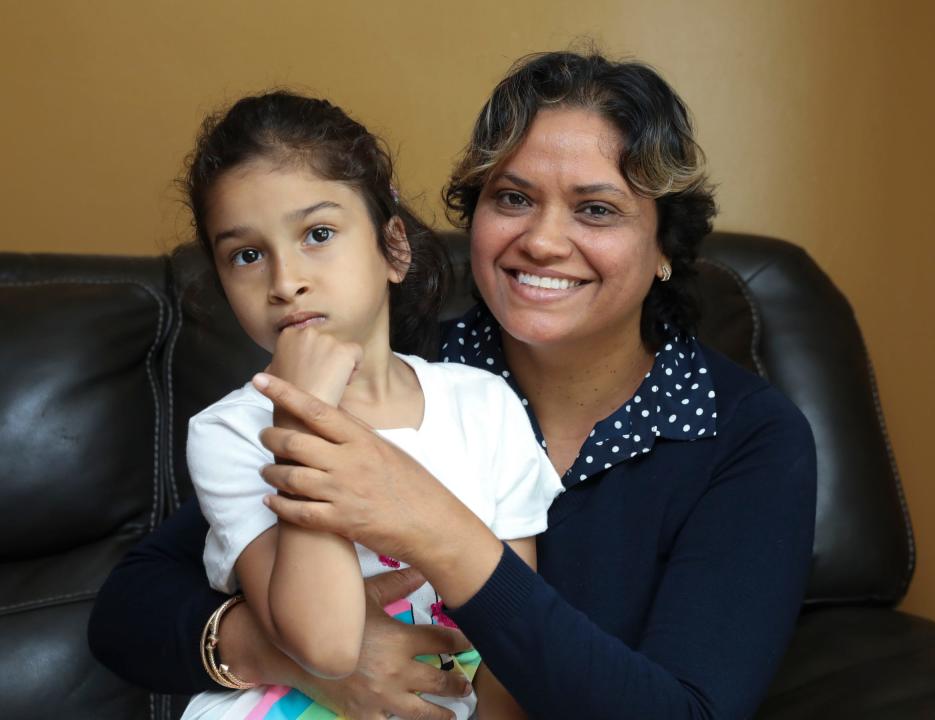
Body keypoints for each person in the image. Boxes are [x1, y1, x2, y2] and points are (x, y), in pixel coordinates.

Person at [90, 51, 817, 719]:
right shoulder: (401, 369)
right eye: (513, 199)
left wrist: (436, 528)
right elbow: (129, 610)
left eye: (596, 208)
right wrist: (303, 657)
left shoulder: (742, 438)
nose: (542, 240)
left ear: (666, 245)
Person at [162, 91, 563, 720]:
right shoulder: (230, 434)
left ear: (394, 249)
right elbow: (324, 643)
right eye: (246, 255)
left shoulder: (485, 406)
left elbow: (516, 631)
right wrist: (304, 416)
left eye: (318, 234)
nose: (284, 280)